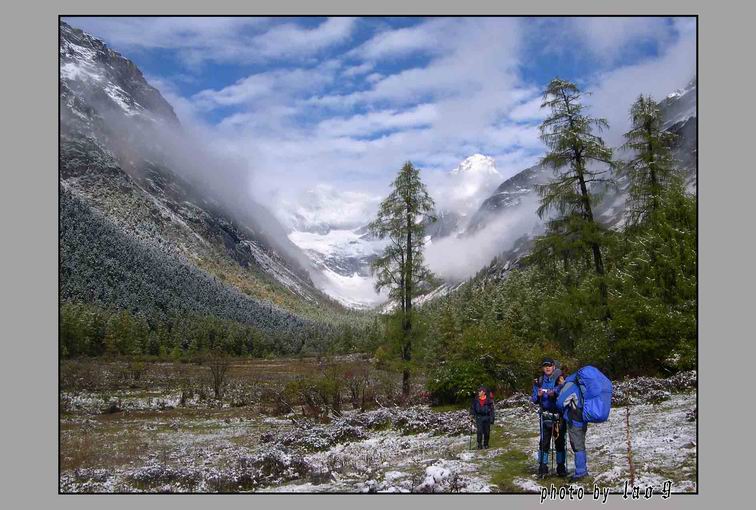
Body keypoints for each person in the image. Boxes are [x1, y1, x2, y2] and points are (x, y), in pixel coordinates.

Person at [531, 357, 566, 477]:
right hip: (545, 415)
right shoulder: (539, 381)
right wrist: (538, 395)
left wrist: (555, 392)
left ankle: (561, 467)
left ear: (554, 367)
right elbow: (534, 399)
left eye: (549, 365)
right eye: (545, 366)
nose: (547, 368)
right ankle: (543, 466)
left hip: (559, 416)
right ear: (542, 368)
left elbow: (564, 390)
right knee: (544, 443)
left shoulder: (560, 379)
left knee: (560, 442)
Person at [556, 368, 589, 481]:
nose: (558, 381)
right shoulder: (581, 384)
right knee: (580, 443)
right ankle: (582, 469)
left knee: (577, 445)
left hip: (575, 419)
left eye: (558, 379)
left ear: (562, 378)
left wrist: (560, 390)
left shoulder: (570, 385)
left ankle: (580, 472)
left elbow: (560, 403)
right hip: (583, 417)